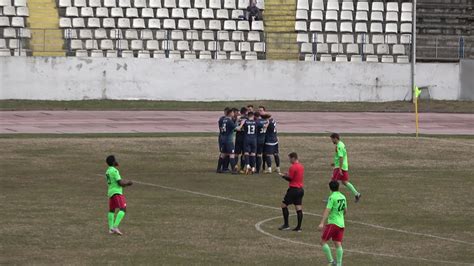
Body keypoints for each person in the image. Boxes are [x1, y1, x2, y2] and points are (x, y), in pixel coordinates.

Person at [318, 181, 347, 266]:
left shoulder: (332, 197)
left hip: (333, 223)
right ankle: (339, 264)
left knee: (323, 242)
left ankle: (331, 261)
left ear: (330, 188)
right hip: (341, 224)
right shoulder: (343, 196)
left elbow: (327, 210)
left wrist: (322, 223)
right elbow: (345, 210)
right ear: (338, 187)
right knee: (338, 243)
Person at [105, 155, 133, 236]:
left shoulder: (107, 171)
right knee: (123, 209)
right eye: (115, 160)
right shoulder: (115, 171)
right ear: (113, 162)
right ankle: (115, 227)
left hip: (110, 192)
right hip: (117, 192)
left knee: (112, 210)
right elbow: (120, 183)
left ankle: (110, 229)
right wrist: (128, 183)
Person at [330, 133, 361, 202]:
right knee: (344, 182)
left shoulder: (339, 146)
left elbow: (341, 157)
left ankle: (331, 198)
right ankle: (356, 194)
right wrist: (335, 163)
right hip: (343, 166)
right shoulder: (341, 144)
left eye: (332, 139)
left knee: (333, 181)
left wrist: (340, 169)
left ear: (335, 138)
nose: (332, 141)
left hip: (340, 167)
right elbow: (341, 157)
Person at [278, 152, 304, 232]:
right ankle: (298, 227)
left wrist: (283, 176)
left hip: (293, 190)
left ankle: (286, 225)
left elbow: (290, 179)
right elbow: (296, 176)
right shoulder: (301, 166)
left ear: (293, 158)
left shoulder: (293, 167)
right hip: (300, 189)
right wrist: (287, 174)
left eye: (290, 159)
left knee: (283, 205)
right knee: (298, 207)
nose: (289, 160)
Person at [220, 109, 239, 174]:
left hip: (224, 139)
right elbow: (237, 128)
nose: (234, 114)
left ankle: (219, 168)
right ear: (230, 113)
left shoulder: (223, 120)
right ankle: (234, 170)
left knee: (223, 154)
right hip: (229, 140)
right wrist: (241, 123)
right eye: (233, 112)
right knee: (232, 154)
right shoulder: (229, 121)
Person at [217, 107, 231, 173]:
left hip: (223, 136)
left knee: (225, 153)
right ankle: (223, 167)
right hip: (224, 137)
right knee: (224, 153)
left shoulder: (222, 119)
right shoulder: (225, 119)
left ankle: (224, 167)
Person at [235, 107, 248, 173]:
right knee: (243, 153)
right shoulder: (247, 119)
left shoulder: (238, 118)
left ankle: (235, 166)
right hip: (245, 137)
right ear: (246, 112)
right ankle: (242, 169)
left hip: (238, 137)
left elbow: (235, 127)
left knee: (236, 153)